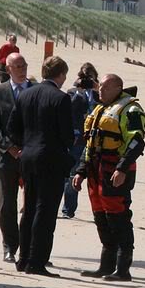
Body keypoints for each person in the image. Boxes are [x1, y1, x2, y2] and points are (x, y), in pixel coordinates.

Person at [73, 74, 145, 281]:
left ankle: (123, 269)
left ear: (118, 88)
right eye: (100, 88)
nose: (100, 91)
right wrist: (80, 171)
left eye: (105, 88)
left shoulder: (131, 109)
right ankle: (106, 266)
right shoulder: (99, 109)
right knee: (101, 217)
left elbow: (137, 141)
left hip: (115, 169)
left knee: (118, 217)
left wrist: (122, 168)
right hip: (95, 170)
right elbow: (89, 144)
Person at [7, 56, 73, 277]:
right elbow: (66, 135)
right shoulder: (61, 98)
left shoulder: (26, 94)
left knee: (29, 209)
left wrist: (23, 146)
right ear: (61, 75)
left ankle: (24, 258)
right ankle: (37, 260)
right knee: (45, 211)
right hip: (50, 159)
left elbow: (12, 128)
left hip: (28, 156)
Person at [0, 53, 32, 263]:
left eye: (24, 65)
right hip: (6, 157)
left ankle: (31, 247)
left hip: (32, 156)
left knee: (33, 204)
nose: (22, 69)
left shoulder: (36, 89)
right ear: (8, 69)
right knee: (7, 205)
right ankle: (9, 247)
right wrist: (10, 148)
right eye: (18, 66)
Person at [61, 63, 99, 218]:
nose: (87, 81)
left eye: (91, 78)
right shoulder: (72, 92)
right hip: (78, 139)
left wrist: (97, 88)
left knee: (96, 177)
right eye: (85, 78)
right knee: (72, 175)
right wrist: (78, 90)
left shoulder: (101, 94)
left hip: (95, 140)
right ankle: (68, 210)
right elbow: (67, 112)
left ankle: (99, 211)